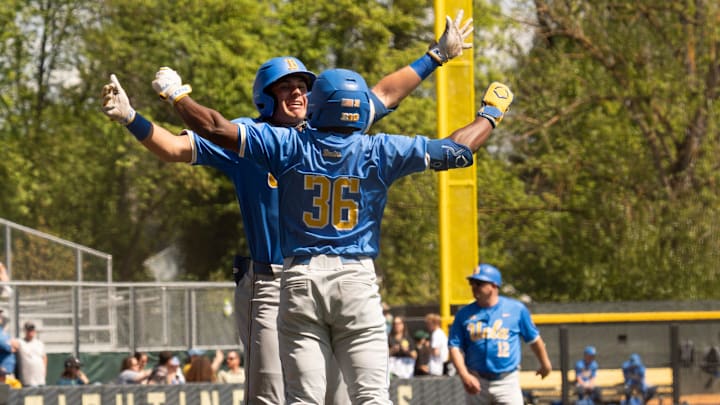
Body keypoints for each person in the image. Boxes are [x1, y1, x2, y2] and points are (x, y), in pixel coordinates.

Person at [110, 11, 472, 405]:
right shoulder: (250, 137)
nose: (298, 93)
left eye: (303, 85)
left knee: (336, 396)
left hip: (328, 278)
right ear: (266, 99)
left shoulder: (333, 125)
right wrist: (132, 118)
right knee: (271, 395)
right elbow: (176, 147)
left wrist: (434, 56)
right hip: (270, 282)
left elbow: (384, 93)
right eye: (285, 88)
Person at [448, 264, 552, 405]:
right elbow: (455, 347)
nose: (474, 287)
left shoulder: (516, 309)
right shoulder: (463, 314)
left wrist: (545, 364)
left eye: (479, 283)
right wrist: (464, 374)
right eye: (472, 283)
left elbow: (534, 339)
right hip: (477, 380)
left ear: (494, 285)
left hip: (507, 381)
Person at [15, 321, 47, 387]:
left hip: (40, 380)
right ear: (25, 331)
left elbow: (44, 357)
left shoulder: (39, 343)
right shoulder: (20, 342)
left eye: (32, 329)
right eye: (29, 330)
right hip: (28, 380)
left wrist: (44, 372)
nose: (31, 331)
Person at [0, 310, 16, 377]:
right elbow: (11, 348)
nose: (0, 317)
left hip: (8, 372)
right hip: (2, 372)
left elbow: (15, 345)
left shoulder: (2, 331)